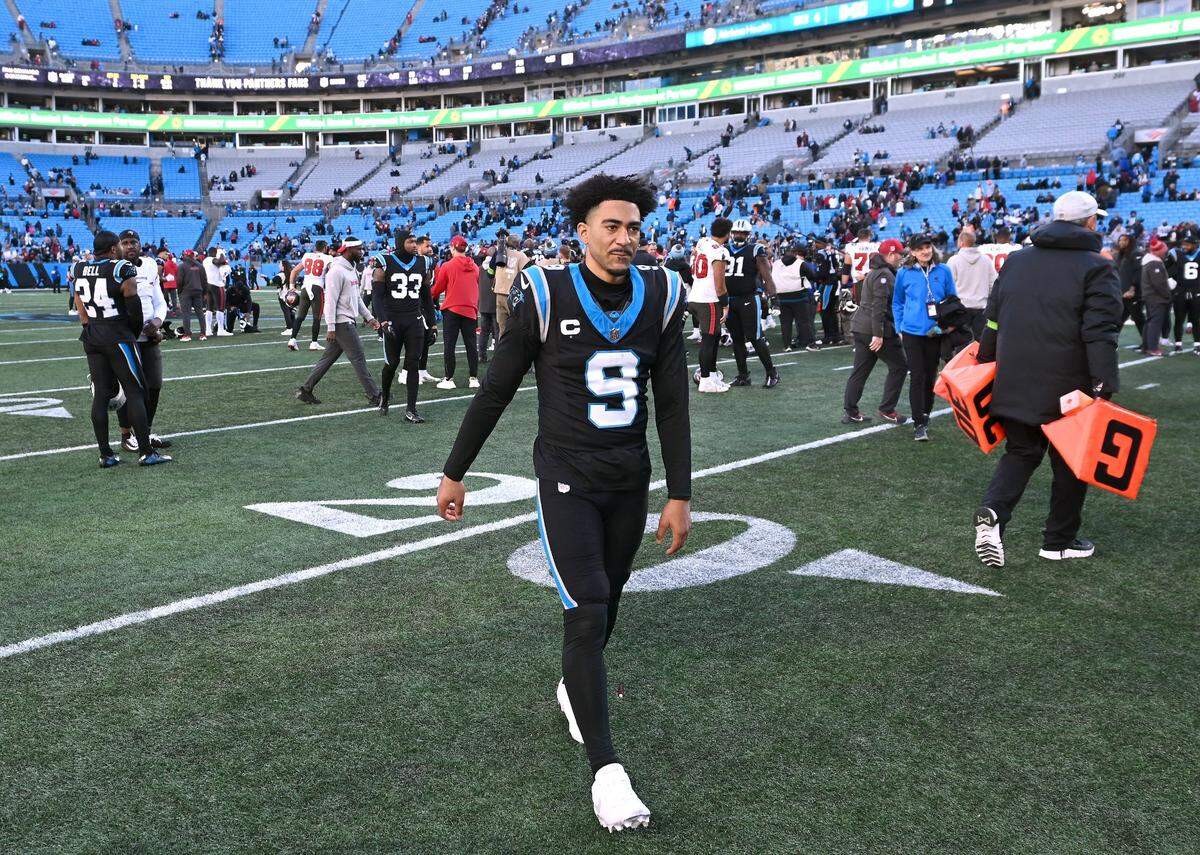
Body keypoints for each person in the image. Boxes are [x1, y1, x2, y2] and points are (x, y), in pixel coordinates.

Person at [437, 174, 691, 833]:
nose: (625, 237)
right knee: (587, 609)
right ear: (582, 231)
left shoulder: (662, 294)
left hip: (628, 477)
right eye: (612, 225)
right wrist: (455, 471)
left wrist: (681, 491)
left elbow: (671, 402)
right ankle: (608, 773)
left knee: (608, 599)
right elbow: (495, 388)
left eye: (633, 227)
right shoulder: (546, 293)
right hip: (566, 477)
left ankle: (571, 687)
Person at [973, 191, 1122, 567]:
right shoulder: (1097, 267)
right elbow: (1100, 332)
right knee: (1071, 460)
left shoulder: (1018, 260)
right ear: (1091, 223)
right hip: (1068, 383)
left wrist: (986, 361)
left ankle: (993, 511)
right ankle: (1058, 540)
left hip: (1015, 375)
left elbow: (993, 318)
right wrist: (1104, 386)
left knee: (1022, 451)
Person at [72, 230, 170, 467]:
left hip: (92, 336)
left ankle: (105, 454)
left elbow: (78, 302)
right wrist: (133, 332)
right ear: (113, 249)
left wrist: (89, 324)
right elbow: (134, 309)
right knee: (136, 391)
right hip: (118, 335)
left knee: (101, 395)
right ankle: (146, 451)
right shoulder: (121, 268)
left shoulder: (79, 268)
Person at [294, 237, 382, 406]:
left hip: (346, 321)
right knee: (358, 358)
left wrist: (369, 318)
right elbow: (330, 301)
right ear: (348, 250)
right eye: (358, 249)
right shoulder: (336, 271)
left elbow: (356, 298)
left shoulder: (351, 269)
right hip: (342, 323)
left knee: (327, 359)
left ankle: (305, 390)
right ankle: (374, 395)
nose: (361, 252)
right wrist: (331, 327)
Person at [893, 234, 957, 441]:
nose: (925, 251)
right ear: (911, 251)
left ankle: (926, 414)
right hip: (911, 332)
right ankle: (918, 422)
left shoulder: (944, 270)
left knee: (930, 376)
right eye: (920, 248)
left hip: (935, 333)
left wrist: (946, 327)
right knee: (917, 376)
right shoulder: (904, 273)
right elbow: (897, 302)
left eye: (927, 247)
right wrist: (900, 327)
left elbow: (952, 300)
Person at [114, 231, 171, 455]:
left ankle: (144, 432)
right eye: (125, 243)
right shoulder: (114, 268)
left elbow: (160, 301)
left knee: (154, 384)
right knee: (129, 388)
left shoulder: (149, 265)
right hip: (126, 336)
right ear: (118, 246)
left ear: (140, 245)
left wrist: (157, 322)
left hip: (149, 335)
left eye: (133, 242)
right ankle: (127, 435)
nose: (129, 246)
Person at [843, 239, 908, 425]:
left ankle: (851, 411)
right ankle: (887, 409)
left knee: (860, 371)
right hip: (875, 329)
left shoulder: (877, 272)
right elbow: (878, 307)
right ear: (890, 254)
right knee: (900, 366)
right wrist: (878, 334)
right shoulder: (884, 275)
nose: (900, 258)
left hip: (862, 327)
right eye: (899, 255)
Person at [373, 229, 434, 422]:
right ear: (400, 243)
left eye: (415, 242)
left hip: (414, 320)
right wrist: (383, 321)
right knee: (392, 364)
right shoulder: (384, 262)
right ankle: (385, 397)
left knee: (413, 364)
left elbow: (427, 297)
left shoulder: (423, 263)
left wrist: (432, 325)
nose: (414, 245)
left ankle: (411, 409)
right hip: (393, 319)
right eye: (410, 242)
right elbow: (377, 296)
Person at [724, 221, 780, 388]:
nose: (738, 235)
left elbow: (767, 276)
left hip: (748, 298)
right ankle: (743, 375)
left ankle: (772, 373)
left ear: (748, 234)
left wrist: (774, 298)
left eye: (742, 232)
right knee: (737, 339)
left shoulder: (755, 249)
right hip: (730, 300)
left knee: (755, 337)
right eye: (736, 232)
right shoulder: (725, 249)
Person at [689, 217, 733, 393]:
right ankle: (706, 379)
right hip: (708, 299)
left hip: (695, 296)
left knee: (714, 338)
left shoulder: (703, 242)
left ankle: (712, 376)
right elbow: (720, 284)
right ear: (728, 234)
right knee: (709, 340)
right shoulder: (720, 252)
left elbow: (695, 253)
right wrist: (725, 304)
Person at [431, 234, 480, 389]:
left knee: (450, 345)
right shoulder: (475, 267)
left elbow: (437, 289)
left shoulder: (447, 265)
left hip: (452, 309)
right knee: (471, 345)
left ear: (452, 248)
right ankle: (473, 378)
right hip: (470, 309)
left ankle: (449, 378)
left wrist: (427, 294)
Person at [946, 229, 997, 340]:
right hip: (981, 306)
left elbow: (948, 286)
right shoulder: (986, 259)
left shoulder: (954, 260)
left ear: (961, 243)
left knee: (962, 346)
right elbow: (993, 284)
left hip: (961, 307)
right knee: (982, 344)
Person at [288, 239, 332, 352]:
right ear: (325, 248)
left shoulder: (307, 255)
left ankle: (292, 339)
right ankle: (314, 342)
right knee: (317, 317)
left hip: (305, 288)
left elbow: (294, 271)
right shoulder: (328, 258)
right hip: (317, 287)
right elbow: (333, 272)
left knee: (300, 316)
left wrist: (291, 286)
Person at [771, 241, 817, 351]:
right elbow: (812, 276)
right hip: (799, 296)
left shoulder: (776, 263)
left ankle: (787, 345)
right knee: (804, 322)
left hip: (781, 297)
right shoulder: (800, 263)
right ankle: (810, 343)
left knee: (785, 323)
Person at [1166, 226, 1200, 354]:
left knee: (1196, 319)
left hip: (1196, 291)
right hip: (1180, 291)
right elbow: (1166, 269)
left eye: (1188, 244)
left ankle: (1197, 345)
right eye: (1184, 244)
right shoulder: (1176, 254)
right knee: (1179, 319)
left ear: (1195, 245)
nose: (1185, 246)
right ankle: (1178, 344)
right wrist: (1170, 280)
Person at [490, 233, 528, 338]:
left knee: (502, 328)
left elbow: (490, 270)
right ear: (518, 244)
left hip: (499, 293)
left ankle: (502, 351)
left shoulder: (500, 253)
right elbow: (526, 274)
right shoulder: (521, 255)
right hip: (512, 295)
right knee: (516, 326)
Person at [1140, 238, 1172, 357]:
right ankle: (1152, 348)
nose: (1165, 252)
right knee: (1155, 323)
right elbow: (1158, 284)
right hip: (1156, 298)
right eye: (1163, 250)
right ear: (1157, 251)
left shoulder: (1149, 261)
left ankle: (1146, 346)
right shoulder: (1154, 263)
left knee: (1150, 322)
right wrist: (1168, 295)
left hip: (1150, 297)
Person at [175, 249, 208, 342]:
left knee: (186, 314)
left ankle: (187, 334)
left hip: (186, 292)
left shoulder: (182, 266)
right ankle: (203, 334)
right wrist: (204, 292)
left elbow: (179, 281)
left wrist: (180, 291)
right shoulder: (200, 266)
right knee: (200, 313)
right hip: (198, 292)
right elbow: (204, 281)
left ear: (185, 256)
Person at [201, 247, 231, 336]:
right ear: (214, 252)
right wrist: (222, 255)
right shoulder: (212, 259)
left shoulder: (205, 260)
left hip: (208, 284)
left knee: (209, 308)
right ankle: (221, 330)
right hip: (217, 284)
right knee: (220, 307)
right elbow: (220, 262)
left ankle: (208, 330)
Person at [476, 246, 498, 364]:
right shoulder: (498, 267)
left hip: (483, 303)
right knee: (497, 331)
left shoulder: (479, 268)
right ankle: (498, 357)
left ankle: (481, 356)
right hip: (495, 303)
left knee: (484, 332)